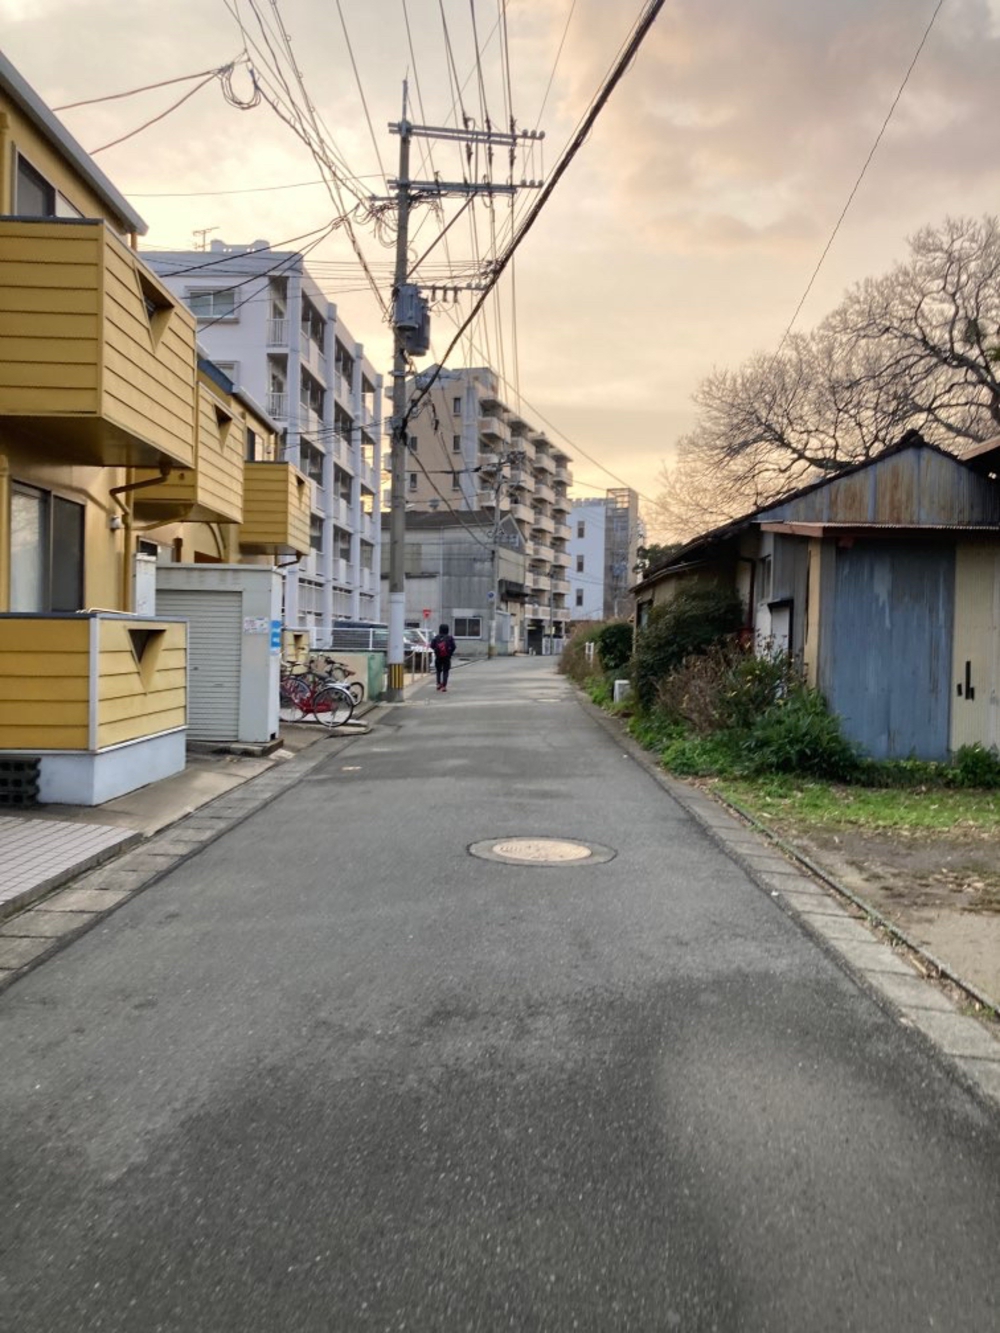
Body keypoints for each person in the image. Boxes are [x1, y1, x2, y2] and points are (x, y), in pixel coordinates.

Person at [430, 622, 456, 691]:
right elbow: (454, 647)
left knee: (438, 671)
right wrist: (450, 653)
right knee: (445, 671)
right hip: (447, 657)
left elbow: (431, 646)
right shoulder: (450, 638)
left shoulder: (436, 637)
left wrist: (436, 650)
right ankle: (444, 686)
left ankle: (438, 684)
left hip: (438, 656)